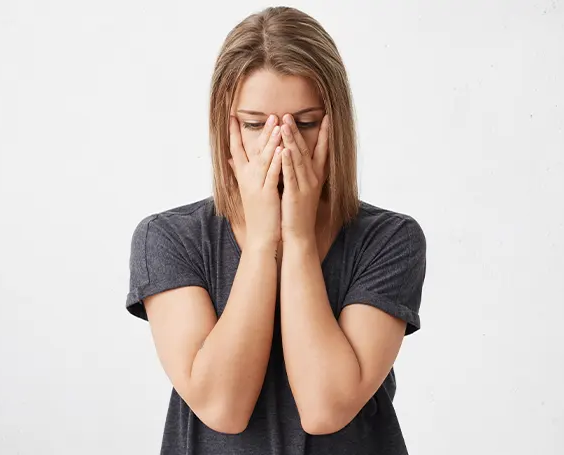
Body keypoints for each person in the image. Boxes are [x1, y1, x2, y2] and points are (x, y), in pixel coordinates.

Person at [125, 6, 427, 455]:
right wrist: (265, 237)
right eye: (253, 124)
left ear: (335, 125)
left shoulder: (389, 240)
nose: (281, 146)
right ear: (224, 128)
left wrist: (299, 240)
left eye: (305, 123)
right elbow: (222, 407)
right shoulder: (169, 238)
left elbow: (326, 407)